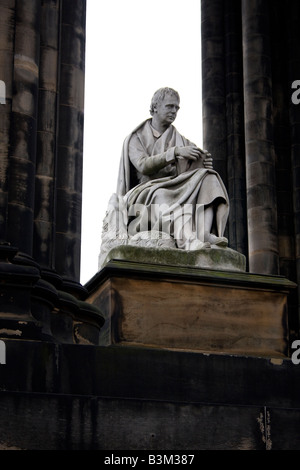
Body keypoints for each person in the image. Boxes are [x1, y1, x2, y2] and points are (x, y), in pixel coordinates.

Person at [102, 87, 229, 255]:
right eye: (170, 106)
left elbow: (187, 172)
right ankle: (188, 240)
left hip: (173, 186)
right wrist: (174, 153)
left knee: (210, 178)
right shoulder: (136, 138)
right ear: (155, 107)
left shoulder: (182, 140)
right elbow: (143, 165)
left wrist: (201, 164)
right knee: (164, 195)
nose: (174, 111)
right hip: (145, 192)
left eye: (177, 108)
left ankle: (204, 232)